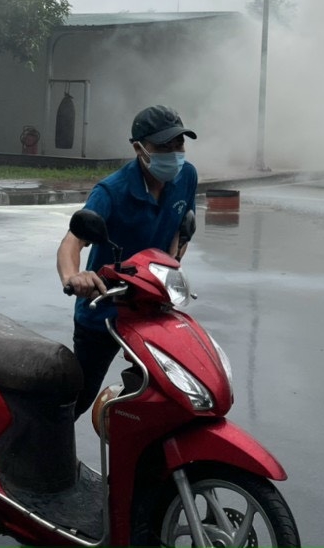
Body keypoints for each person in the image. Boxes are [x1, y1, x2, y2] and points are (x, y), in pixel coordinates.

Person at [57, 104, 198, 418]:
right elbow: (72, 241)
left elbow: (181, 228)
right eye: (163, 147)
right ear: (139, 148)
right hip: (104, 306)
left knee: (163, 396)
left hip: (151, 306)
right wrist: (73, 278)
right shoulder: (111, 191)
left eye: (179, 145)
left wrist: (173, 260)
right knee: (76, 400)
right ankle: (39, 454)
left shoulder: (186, 176)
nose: (174, 153)